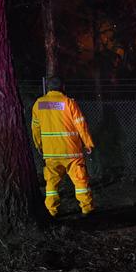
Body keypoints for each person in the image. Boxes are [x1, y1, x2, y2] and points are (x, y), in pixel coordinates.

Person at [31, 76, 95, 218]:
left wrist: (39, 144)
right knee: (80, 181)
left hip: (51, 153)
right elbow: (81, 125)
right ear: (63, 87)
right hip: (72, 152)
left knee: (51, 185)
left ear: (48, 88)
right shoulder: (69, 103)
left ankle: (51, 211)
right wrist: (88, 143)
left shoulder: (38, 104)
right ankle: (87, 209)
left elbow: (35, 128)